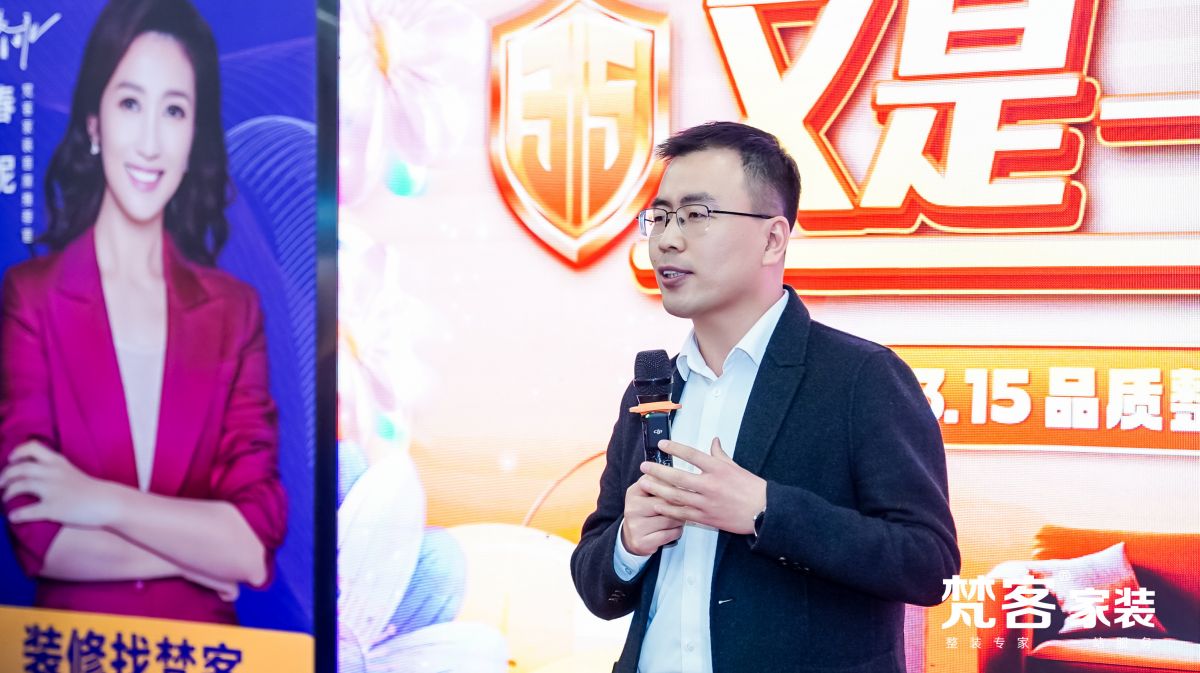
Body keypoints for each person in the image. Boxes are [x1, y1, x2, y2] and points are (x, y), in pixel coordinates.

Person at [570, 121, 960, 673]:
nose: (667, 239)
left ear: (773, 239)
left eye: (696, 215)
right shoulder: (652, 389)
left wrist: (766, 511)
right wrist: (628, 543)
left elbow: (930, 566)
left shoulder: (861, 378)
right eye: (660, 217)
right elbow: (596, 586)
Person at [0, 0, 286, 625]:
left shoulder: (235, 312)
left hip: (206, 656)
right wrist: (200, 556)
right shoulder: (31, 298)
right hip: (74, 652)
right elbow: (38, 533)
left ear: (194, 137)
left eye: (174, 111)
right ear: (94, 123)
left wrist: (98, 500)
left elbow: (253, 540)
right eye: (130, 103)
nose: (151, 142)